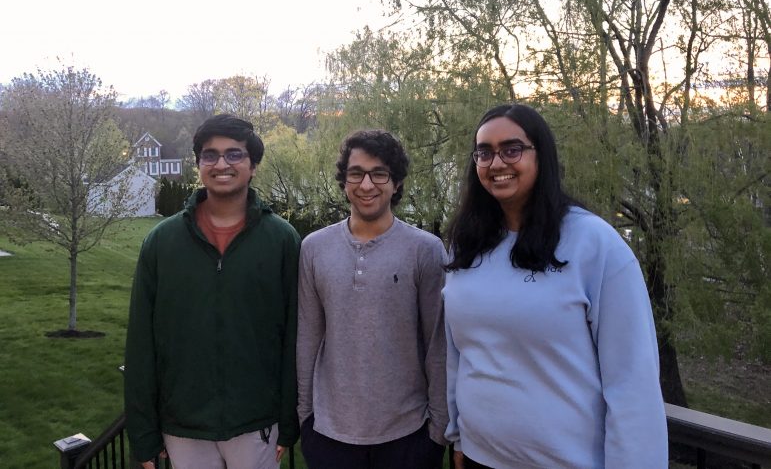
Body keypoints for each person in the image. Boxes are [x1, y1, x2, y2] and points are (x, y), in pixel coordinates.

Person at [443, 104, 668, 469]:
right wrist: (458, 434)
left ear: (541, 155)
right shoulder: (467, 245)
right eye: (484, 152)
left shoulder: (594, 245)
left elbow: (633, 383)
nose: (496, 163)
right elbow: (458, 353)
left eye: (512, 149)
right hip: (478, 456)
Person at [124, 114, 301, 469]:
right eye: (210, 155)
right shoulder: (161, 243)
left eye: (234, 154)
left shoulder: (282, 241)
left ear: (253, 166)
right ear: (199, 165)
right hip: (184, 427)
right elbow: (141, 344)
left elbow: (295, 338)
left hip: (256, 425)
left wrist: (288, 420)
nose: (222, 164)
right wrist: (143, 433)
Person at [296, 129, 449, 469]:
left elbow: (438, 344)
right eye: (356, 173)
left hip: (408, 435)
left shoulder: (425, 250)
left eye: (379, 173)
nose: (366, 185)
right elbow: (308, 337)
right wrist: (306, 417)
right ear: (344, 180)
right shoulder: (314, 248)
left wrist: (438, 430)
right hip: (329, 436)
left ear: (395, 183)